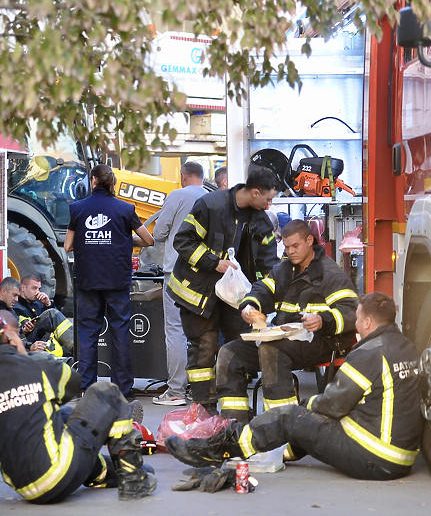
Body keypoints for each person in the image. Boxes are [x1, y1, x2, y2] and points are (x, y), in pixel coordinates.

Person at [166, 292, 424, 481]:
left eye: (357, 319)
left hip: (373, 456)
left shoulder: (369, 352)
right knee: (305, 424)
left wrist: (305, 407)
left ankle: (216, 450)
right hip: (401, 457)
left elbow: (334, 405)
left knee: (291, 416)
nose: (355, 324)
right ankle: (273, 452)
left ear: (367, 323)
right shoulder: (407, 347)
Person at [0, 305, 156, 505]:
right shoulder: (34, 366)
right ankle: (133, 479)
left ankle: (104, 472)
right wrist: (24, 356)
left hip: (29, 490)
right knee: (106, 393)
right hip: (61, 470)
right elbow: (73, 385)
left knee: (62, 416)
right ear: (4, 335)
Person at [215, 219, 358, 424]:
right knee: (229, 354)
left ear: (310, 240)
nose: (290, 251)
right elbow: (263, 290)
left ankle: (283, 429)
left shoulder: (330, 273)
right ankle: (234, 427)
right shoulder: (283, 269)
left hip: (322, 341)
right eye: (286, 246)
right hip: (287, 340)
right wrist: (250, 305)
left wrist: (322, 320)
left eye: (295, 246)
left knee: (271, 351)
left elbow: (351, 310)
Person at [167, 167, 280, 413]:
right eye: (268, 199)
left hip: (235, 296)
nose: (270, 206)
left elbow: (269, 264)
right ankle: (205, 411)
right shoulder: (211, 205)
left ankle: (235, 415)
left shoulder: (263, 222)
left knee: (237, 348)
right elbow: (183, 241)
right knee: (204, 349)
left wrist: (271, 297)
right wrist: (213, 262)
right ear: (255, 193)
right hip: (198, 293)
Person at [64, 164, 154, 400]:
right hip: (117, 280)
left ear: (93, 181)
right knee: (120, 333)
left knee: (88, 333)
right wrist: (123, 238)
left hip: (88, 281)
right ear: (111, 181)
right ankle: (122, 388)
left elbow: (68, 246)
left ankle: (86, 387)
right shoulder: (125, 209)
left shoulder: (78, 208)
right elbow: (148, 239)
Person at [151, 161, 208, 407]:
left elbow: (159, 233)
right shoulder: (212, 198)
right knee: (204, 331)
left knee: (175, 329)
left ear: (183, 176)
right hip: (206, 274)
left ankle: (175, 391)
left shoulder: (177, 195)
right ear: (203, 178)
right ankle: (203, 390)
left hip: (176, 273)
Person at [13, 275, 74, 357]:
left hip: (46, 342)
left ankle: (77, 347)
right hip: (29, 343)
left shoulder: (38, 304)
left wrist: (48, 304)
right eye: (34, 288)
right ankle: (77, 347)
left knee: (67, 351)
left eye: (39, 289)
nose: (37, 292)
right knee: (51, 314)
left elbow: (55, 324)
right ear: (23, 288)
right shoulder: (15, 306)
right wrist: (23, 330)